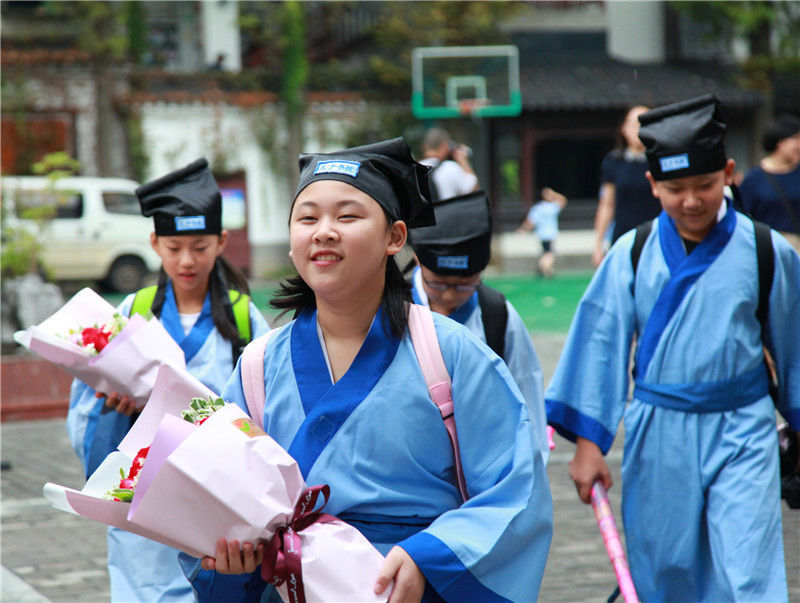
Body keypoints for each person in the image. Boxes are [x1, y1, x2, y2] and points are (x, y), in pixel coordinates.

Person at [187, 138, 553, 602]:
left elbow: (516, 490)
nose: (324, 232)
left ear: (395, 237)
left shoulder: (451, 354)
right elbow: (217, 495)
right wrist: (230, 555)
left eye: (347, 216)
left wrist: (428, 555)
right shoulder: (257, 367)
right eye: (307, 218)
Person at [545, 94, 799, 601]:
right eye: (675, 188)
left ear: (729, 174)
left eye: (705, 184)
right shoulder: (632, 253)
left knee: (749, 571)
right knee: (666, 569)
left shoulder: (767, 250)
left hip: (744, 427)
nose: (691, 201)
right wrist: (590, 446)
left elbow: (794, 343)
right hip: (659, 429)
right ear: (652, 184)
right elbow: (600, 342)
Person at [66, 158, 270, 602]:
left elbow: (266, 408)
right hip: (141, 500)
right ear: (155, 243)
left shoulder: (244, 318)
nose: (187, 260)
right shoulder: (131, 314)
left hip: (215, 498)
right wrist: (111, 407)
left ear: (222, 241)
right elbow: (84, 411)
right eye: (174, 247)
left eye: (200, 246)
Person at [407, 189, 550, 464]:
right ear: (417, 259)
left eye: (464, 285)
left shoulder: (496, 314)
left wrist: (533, 465)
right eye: (437, 283)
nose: (449, 296)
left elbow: (526, 389)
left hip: (483, 461)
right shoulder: (390, 309)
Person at [592, 105, 662, 267]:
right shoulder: (614, 161)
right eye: (634, 124)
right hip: (623, 237)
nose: (638, 129)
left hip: (656, 236)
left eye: (644, 124)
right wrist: (598, 243)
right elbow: (607, 204)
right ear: (624, 128)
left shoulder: (660, 161)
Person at [739, 113, 800, 252]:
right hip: (768, 249)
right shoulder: (754, 179)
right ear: (780, 142)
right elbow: (743, 219)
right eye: (796, 139)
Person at [516, 186, 568, 278]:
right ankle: (542, 268)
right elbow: (563, 200)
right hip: (549, 234)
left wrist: (523, 229)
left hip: (541, 234)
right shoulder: (552, 207)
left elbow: (530, 222)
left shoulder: (537, 208)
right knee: (549, 254)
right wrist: (554, 194)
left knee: (546, 252)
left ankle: (549, 271)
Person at [418, 127, 478, 200]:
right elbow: (474, 192)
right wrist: (463, 160)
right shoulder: (449, 168)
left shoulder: (413, 170)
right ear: (443, 146)